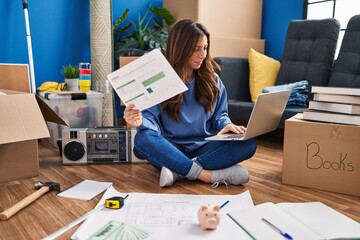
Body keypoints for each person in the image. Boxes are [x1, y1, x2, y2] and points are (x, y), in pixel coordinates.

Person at [124, 19, 257, 188]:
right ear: (180, 48)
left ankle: (178, 170)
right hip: (170, 148)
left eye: (205, 47)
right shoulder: (159, 80)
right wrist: (139, 121)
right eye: (196, 49)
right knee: (143, 138)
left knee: (249, 142)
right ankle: (204, 175)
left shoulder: (212, 80)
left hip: (206, 147)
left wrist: (228, 125)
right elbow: (152, 124)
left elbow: (220, 115)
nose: (203, 54)